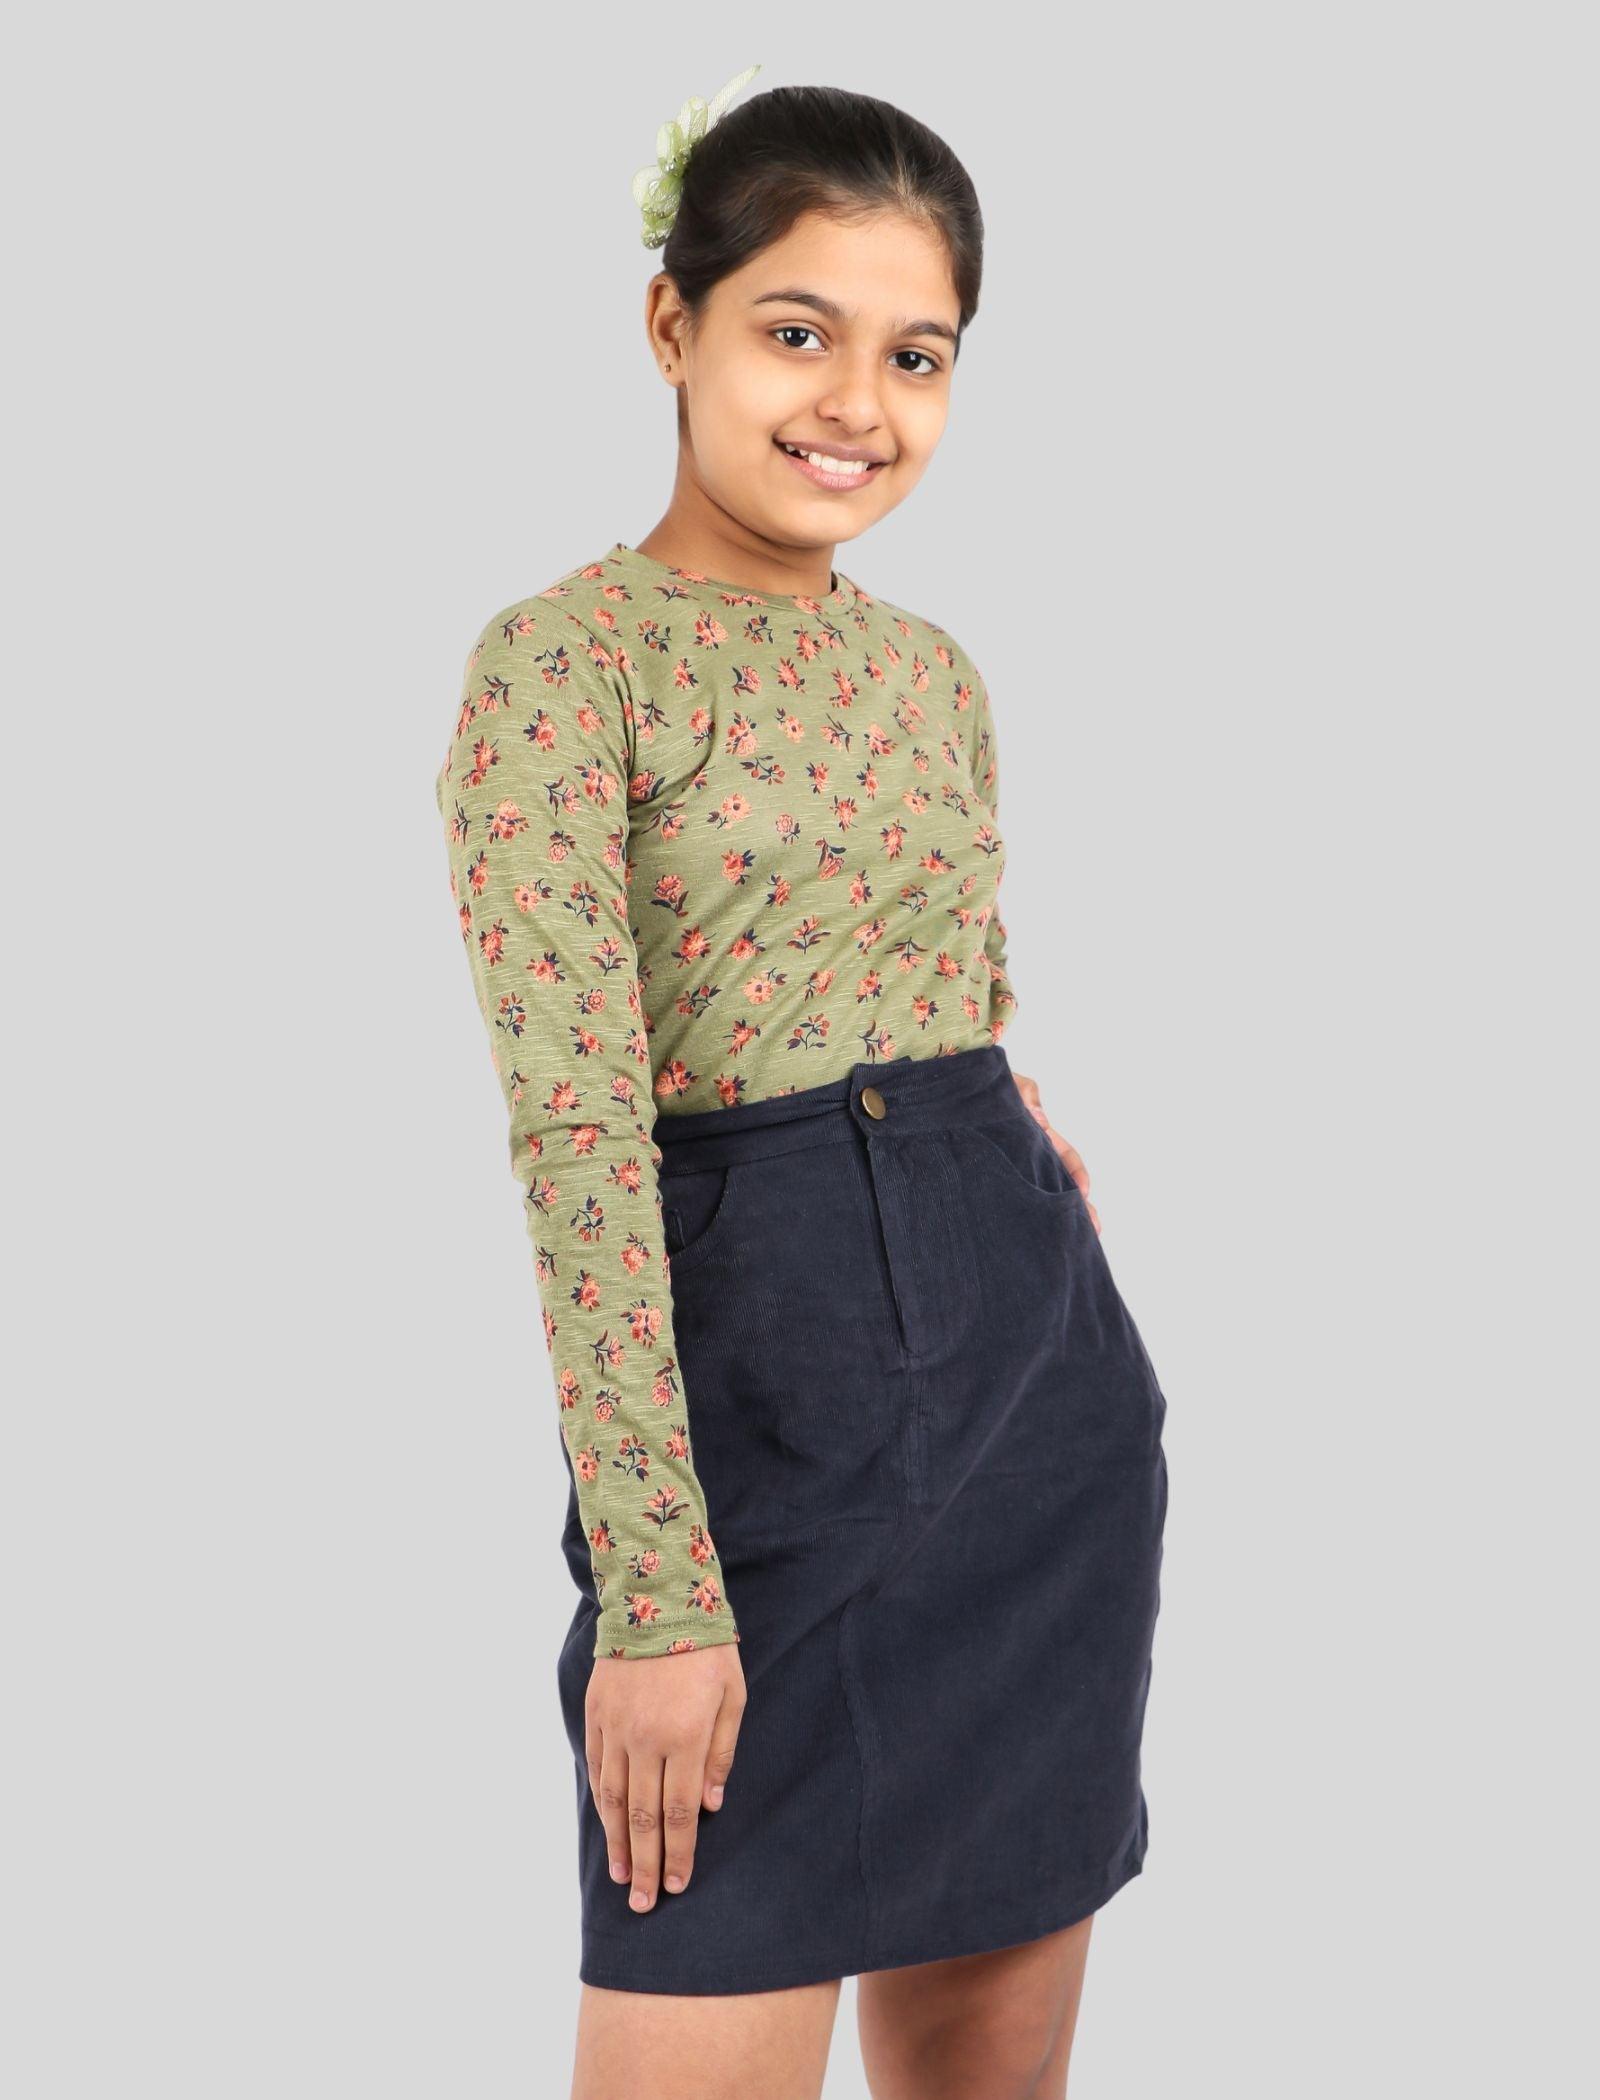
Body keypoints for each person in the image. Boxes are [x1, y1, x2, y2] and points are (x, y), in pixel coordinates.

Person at [434, 66, 1169, 2100]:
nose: (858, 403)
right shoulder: (561, 666)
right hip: (756, 1425)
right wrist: (658, 1594)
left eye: (915, 355)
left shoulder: (932, 673)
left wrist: (1000, 1141)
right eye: (797, 331)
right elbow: (578, 1135)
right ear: (668, 324)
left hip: (1036, 1422)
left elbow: (959, 990)